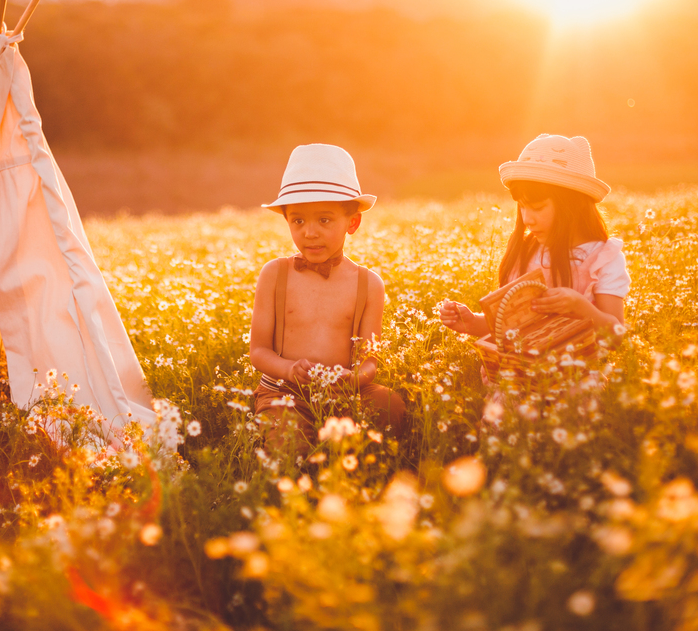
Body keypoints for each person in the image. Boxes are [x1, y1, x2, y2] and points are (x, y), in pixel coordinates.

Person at [250, 143, 406, 454]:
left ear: (352, 222)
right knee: (286, 439)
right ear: (287, 221)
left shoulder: (369, 283)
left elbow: (369, 362)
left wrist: (354, 379)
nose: (309, 232)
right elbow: (258, 351)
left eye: (324, 220)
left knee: (389, 406)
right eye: (298, 221)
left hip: (344, 392)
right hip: (284, 391)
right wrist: (289, 369)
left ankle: (359, 468)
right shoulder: (274, 274)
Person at [439, 134, 630, 356]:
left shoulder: (603, 258)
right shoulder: (527, 251)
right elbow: (510, 325)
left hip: (575, 377)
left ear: (573, 206)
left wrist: (580, 307)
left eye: (538, 208)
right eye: (522, 207)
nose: (528, 219)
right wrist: (472, 323)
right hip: (519, 375)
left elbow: (616, 336)